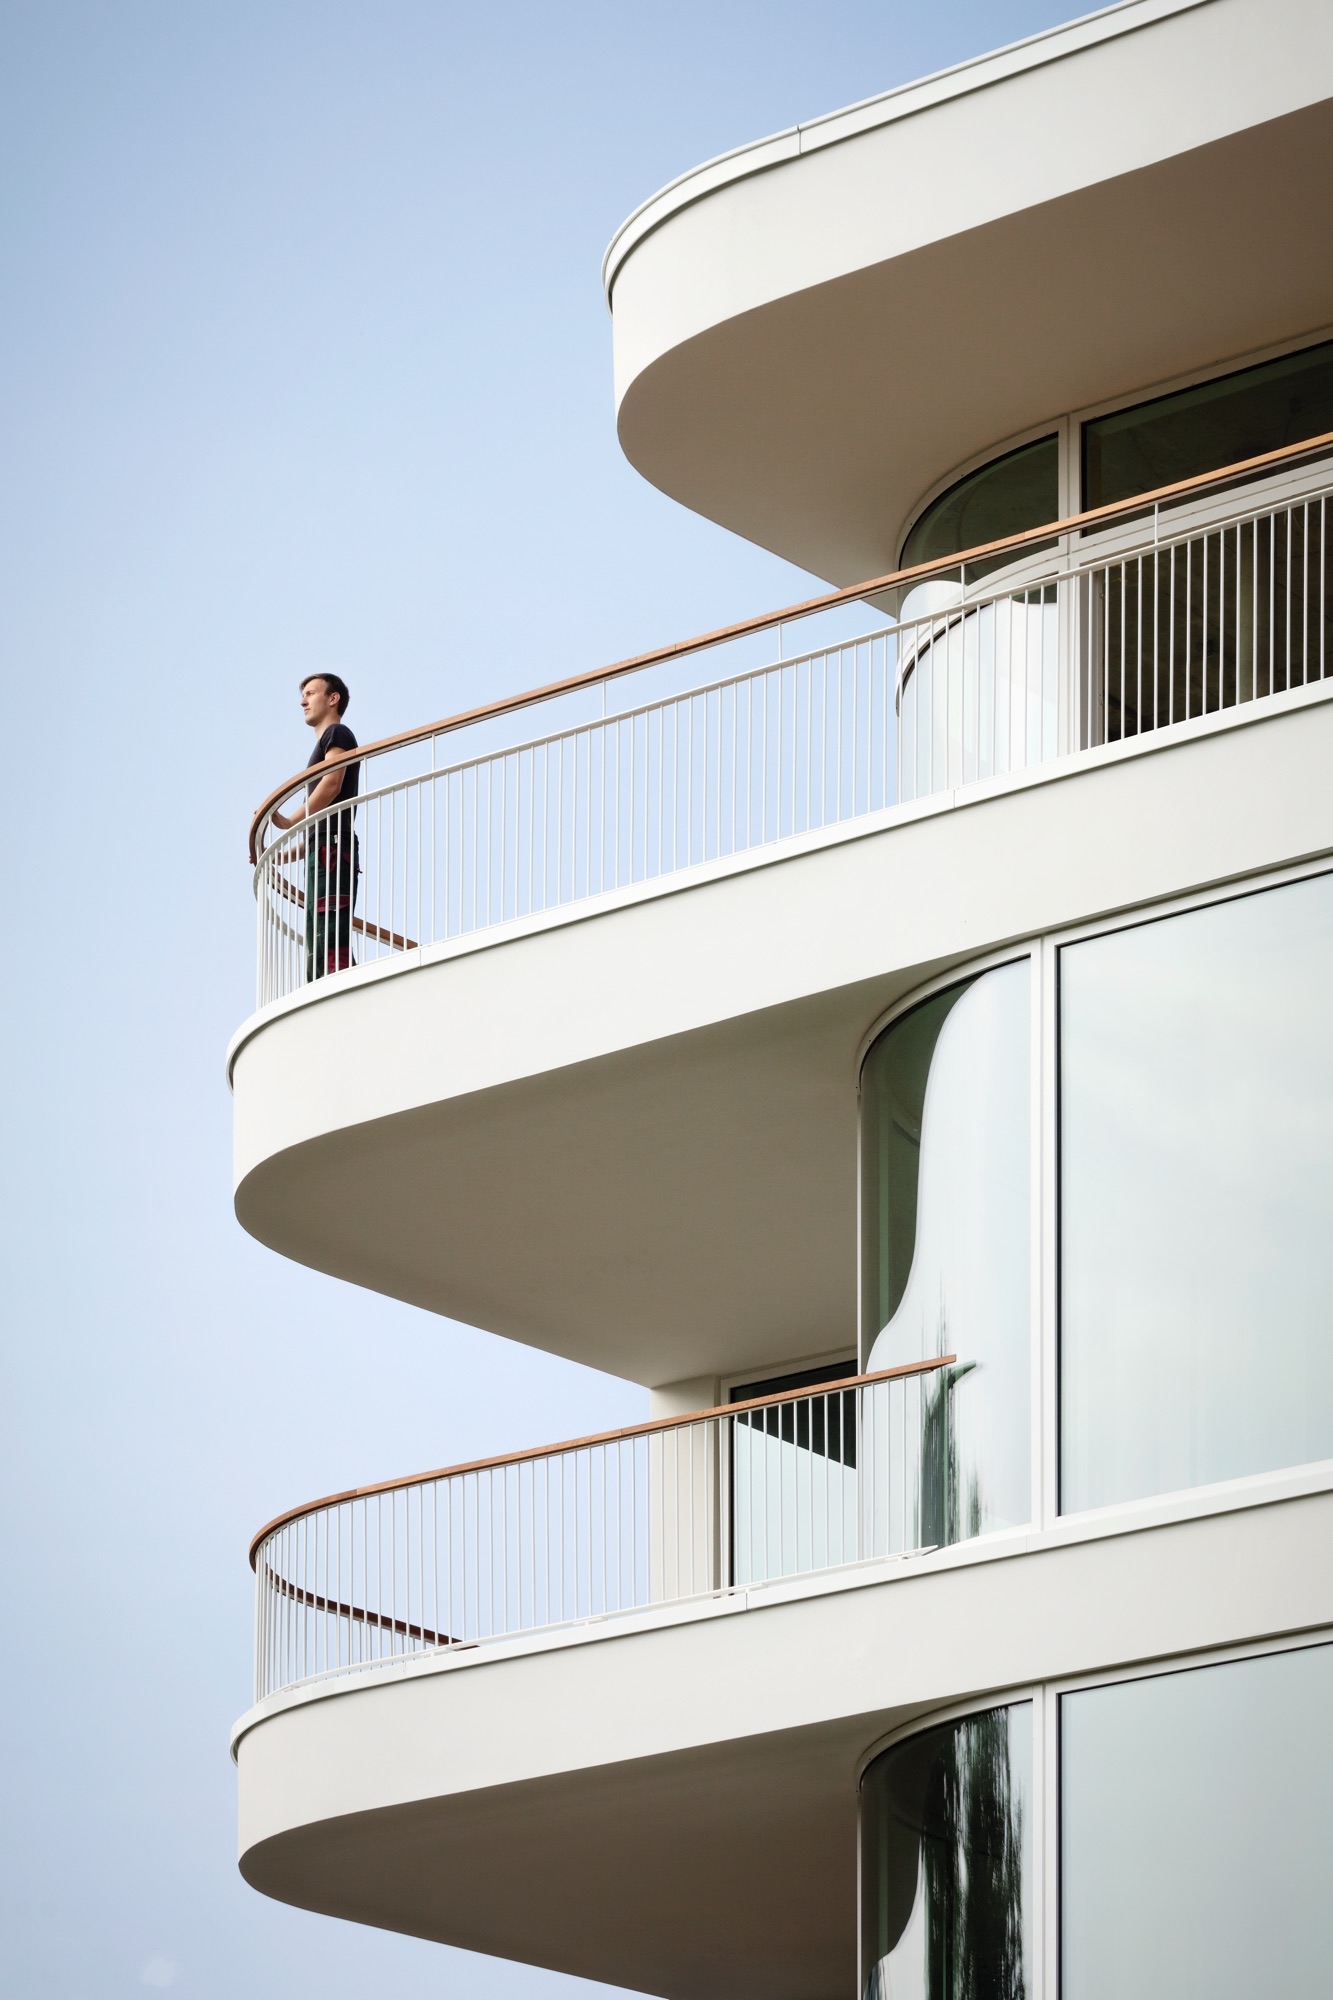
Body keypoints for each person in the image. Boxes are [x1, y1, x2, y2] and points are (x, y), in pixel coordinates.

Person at [271, 674, 361, 981]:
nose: (303, 701)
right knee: (319, 932)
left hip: (333, 847)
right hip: (324, 847)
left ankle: (339, 988)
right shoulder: (324, 743)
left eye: (311, 693)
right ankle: (327, 987)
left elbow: (332, 784)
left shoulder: (337, 733)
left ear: (333, 699)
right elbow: (315, 829)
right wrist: (280, 856)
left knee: (329, 927)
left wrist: (289, 822)